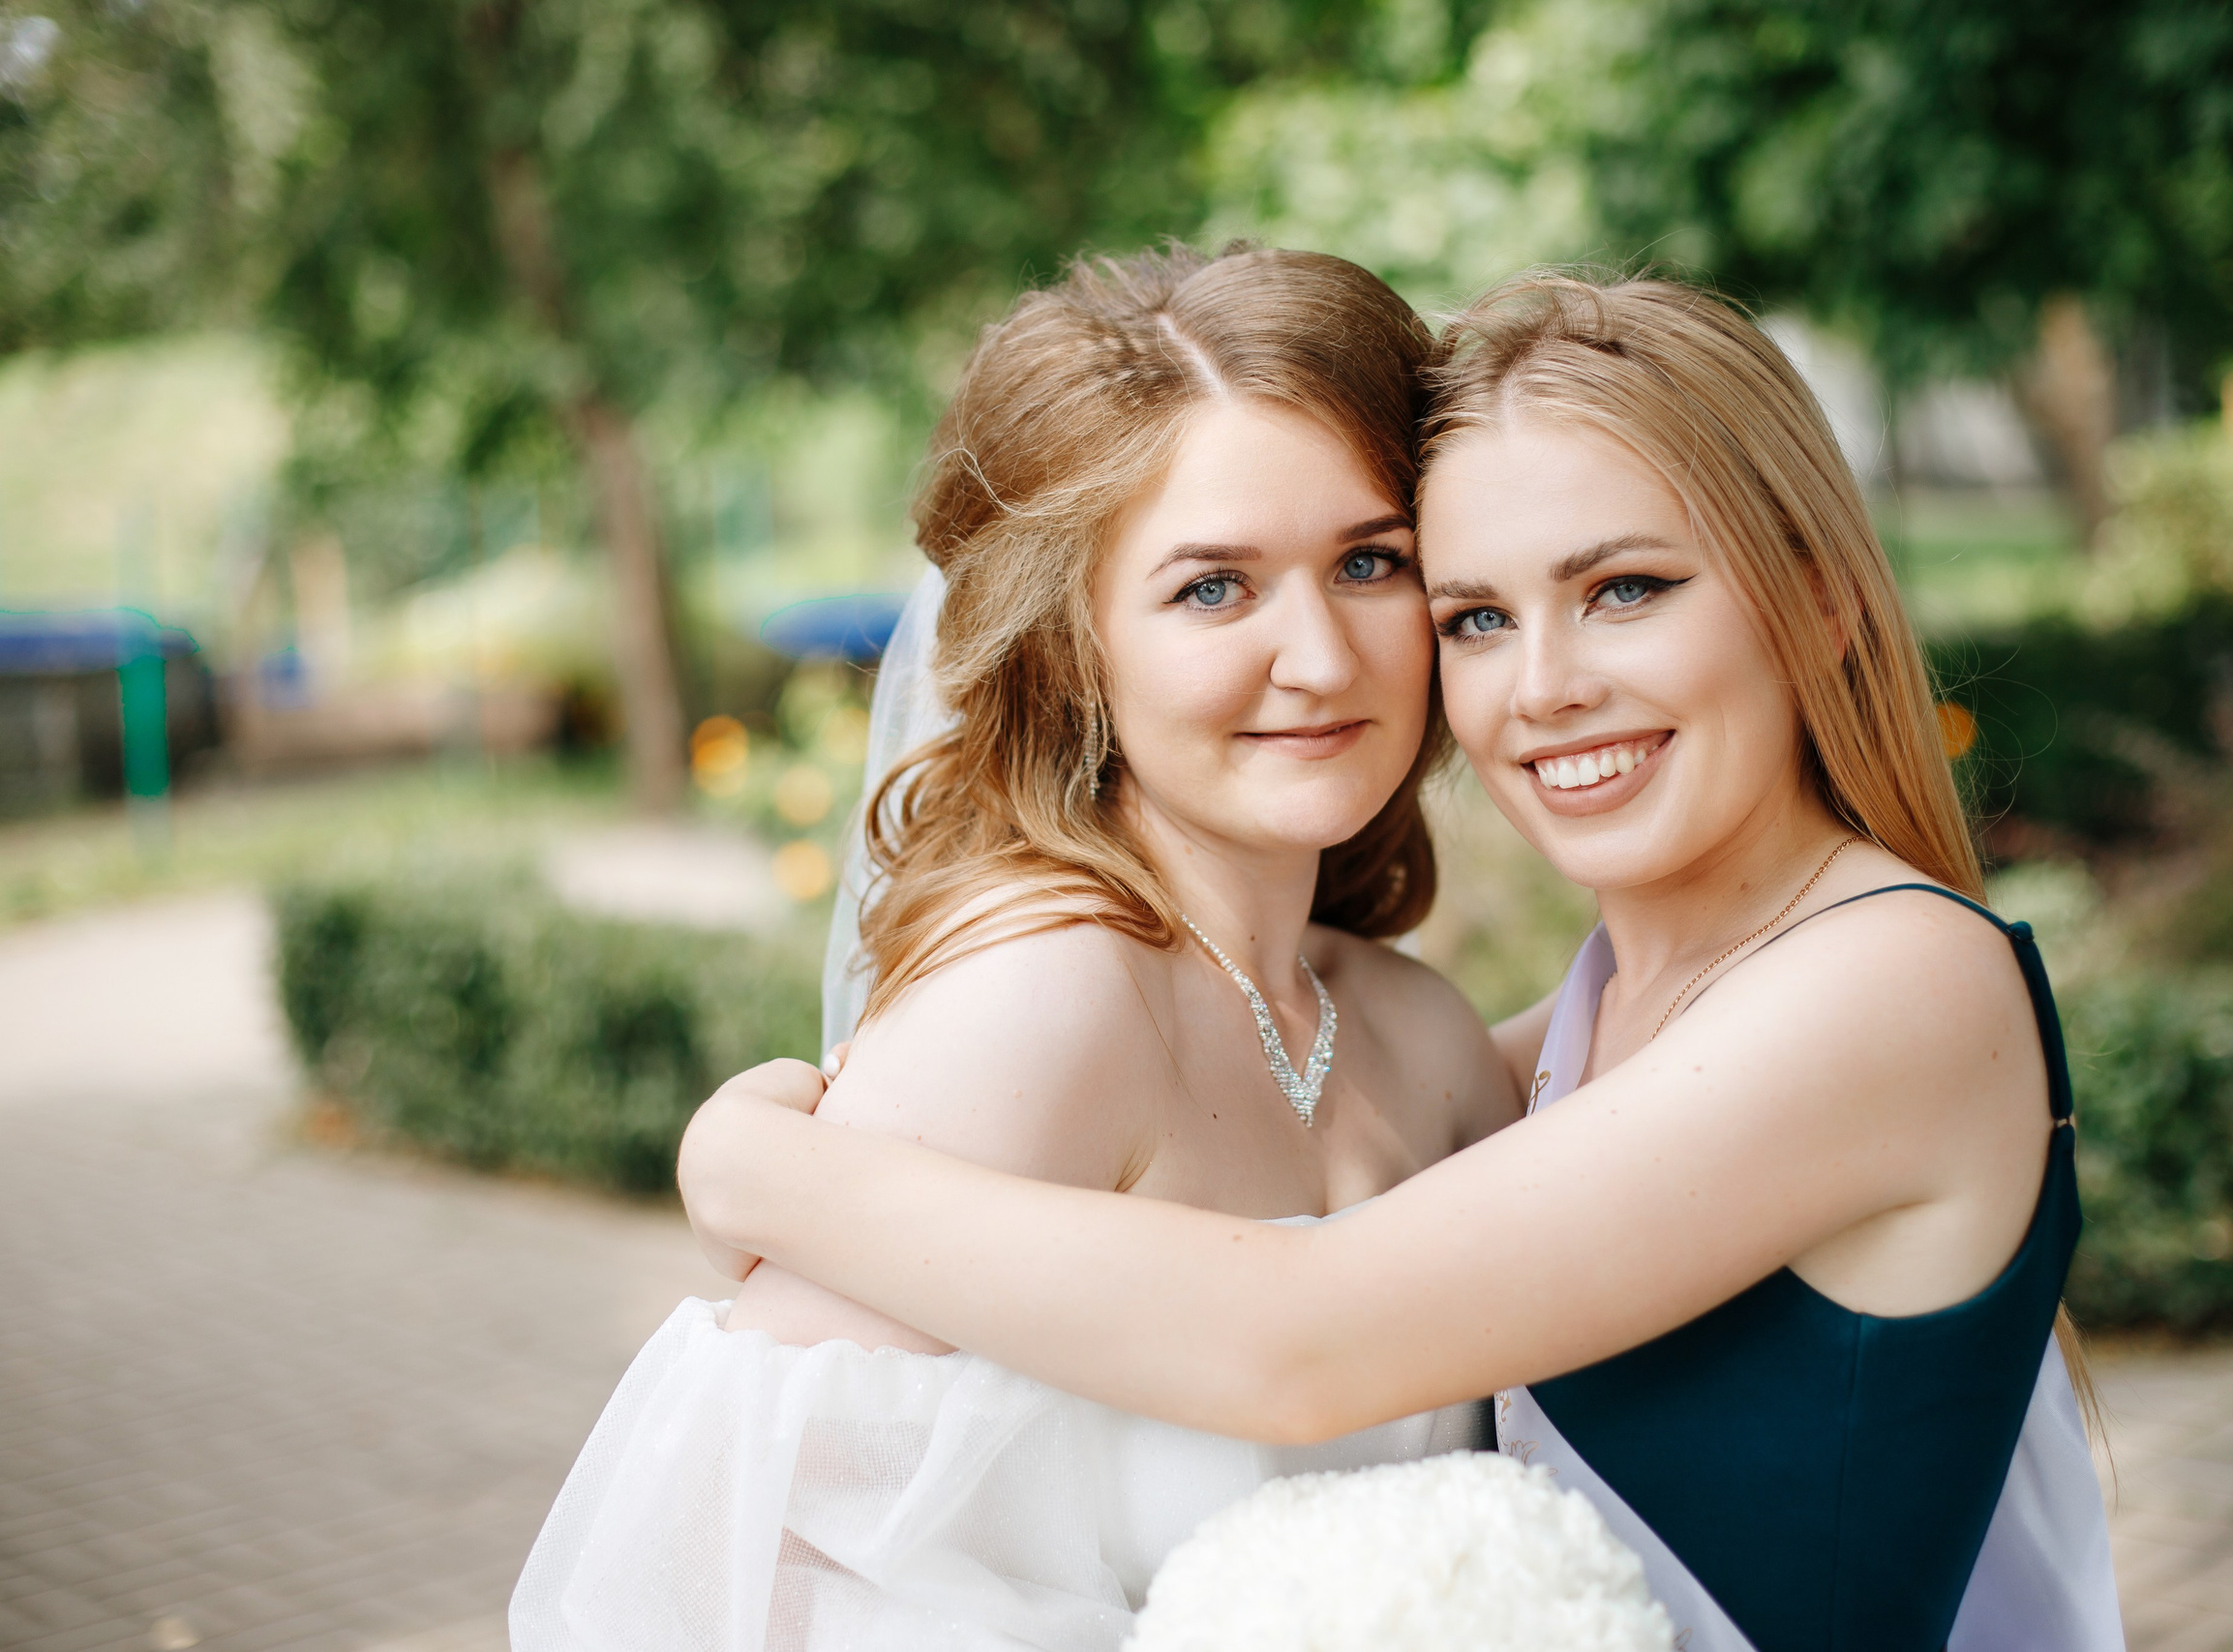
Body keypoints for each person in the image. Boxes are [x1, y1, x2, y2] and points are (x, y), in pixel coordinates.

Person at [679, 274, 2125, 1651]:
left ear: (1819, 600)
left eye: (1625, 589)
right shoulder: (1581, 1021)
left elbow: (1298, 1337)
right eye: (1475, 617)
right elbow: (1297, 1116)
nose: (1546, 687)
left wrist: (759, 1170)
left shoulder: (1896, 988)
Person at [508, 245, 1524, 1652]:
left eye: (1368, 562)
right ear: (1075, 646)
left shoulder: (1417, 1030)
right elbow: (730, 1584)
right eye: (1213, 590)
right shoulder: (1045, 1002)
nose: (1323, 656)